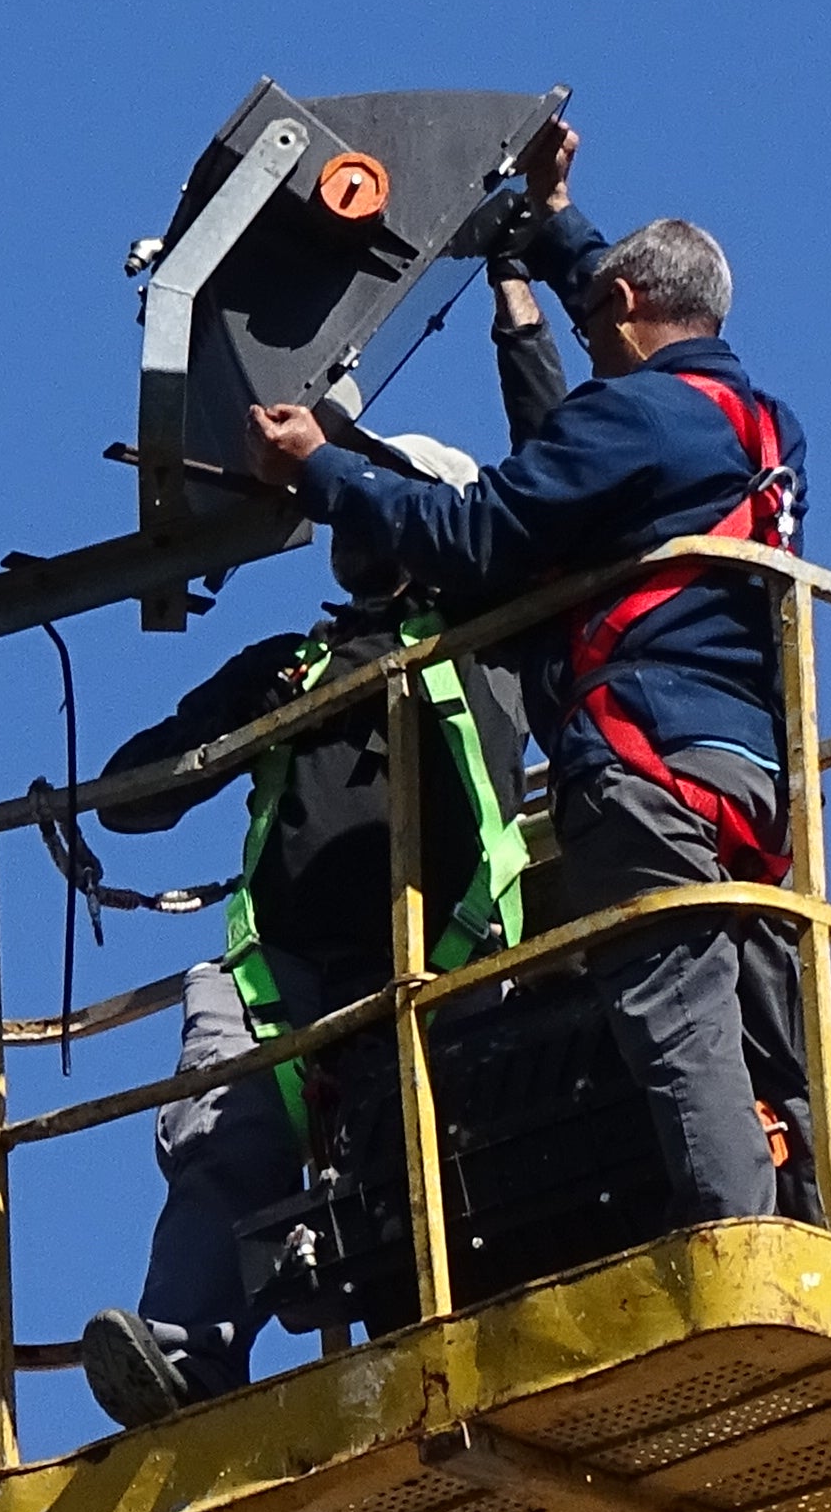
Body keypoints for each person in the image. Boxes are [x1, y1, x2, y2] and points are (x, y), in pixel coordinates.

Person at [248, 161, 817, 1236]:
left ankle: (734, 1250)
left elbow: (474, 539)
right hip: (745, 773)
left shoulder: (631, 421)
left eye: (599, 308)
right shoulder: (760, 425)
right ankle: (821, 1230)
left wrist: (322, 470)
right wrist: (554, 231)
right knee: (768, 1021)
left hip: (643, 762)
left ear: (628, 307)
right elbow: (622, 292)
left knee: (676, 1014)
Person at [74, 436, 537, 1428]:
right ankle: (185, 1358)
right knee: (224, 1144)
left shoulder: (496, 639)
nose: (351, 517)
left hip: (436, 965)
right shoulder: (288, 663)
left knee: (434, 1179)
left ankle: (462, 1362)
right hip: (277, 977)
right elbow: (131, 799)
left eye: (379, 495)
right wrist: (246, 729)